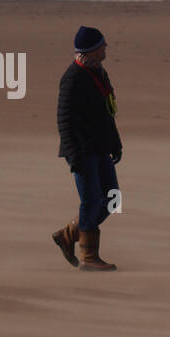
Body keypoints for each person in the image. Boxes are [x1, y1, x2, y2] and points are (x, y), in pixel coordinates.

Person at [53, 26, 122, 272]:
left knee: (113, 200)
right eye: (102, 45)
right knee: (91, 201)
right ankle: (89, 258)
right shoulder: (72, 78)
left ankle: (69, 234)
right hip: (83, 152)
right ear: (91, 51)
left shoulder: (99, 72)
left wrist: (115, 142)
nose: (106, 48)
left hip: (102, 148)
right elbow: (64, 120)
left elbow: (108, 112)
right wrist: (73, 155)